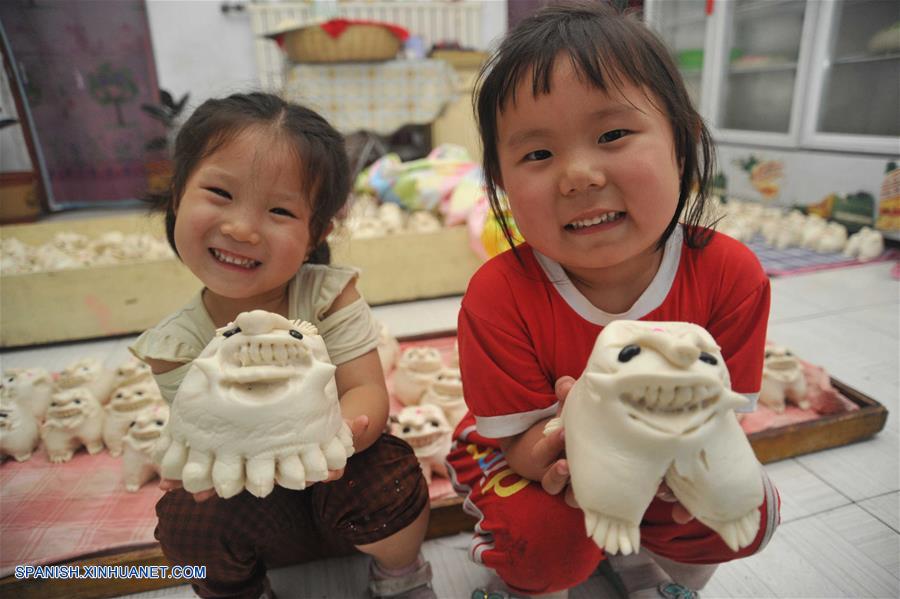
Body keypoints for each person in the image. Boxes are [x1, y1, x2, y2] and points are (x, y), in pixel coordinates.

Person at [445, 3, 780, 599]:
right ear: (498, 182)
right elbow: (520, 446)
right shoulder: (498, 296)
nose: (578, 175)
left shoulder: (731, 275)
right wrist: (578, 432)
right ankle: (540, 570)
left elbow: (721, 421)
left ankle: (645, 559)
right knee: (544, 541)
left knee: (741, 508)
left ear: (682, 144)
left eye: (613, 135)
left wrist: (681, 477)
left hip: (659, 443)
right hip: (527, 454)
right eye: (538, 154)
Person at [130, 92, 435, 599]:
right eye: (220, 194)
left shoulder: (328, 295)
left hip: (339, 477)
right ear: (176, 195)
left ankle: (401, 576)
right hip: (248, 495)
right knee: (187, 520)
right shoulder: (174, 343)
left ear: (318, 230)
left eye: (278, 210)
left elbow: (366, 393)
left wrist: (330, 441)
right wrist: (198, 463)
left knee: (389, 471)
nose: (241, 228)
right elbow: (207, 429)